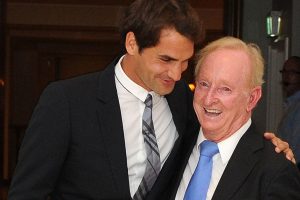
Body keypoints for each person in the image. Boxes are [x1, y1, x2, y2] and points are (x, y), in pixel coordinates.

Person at [8, 1, 294, 199]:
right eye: (166, 59)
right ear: (132, 43)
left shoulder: (184, 100)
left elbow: (227, 136)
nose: (176, 73)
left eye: (184, 62)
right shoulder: (67, 102)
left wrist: (271, 147)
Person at [170, 37, 300, 200]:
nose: (208, 99)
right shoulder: (174, 144)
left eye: (225, 89)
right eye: (204, 84)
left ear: (252, 98)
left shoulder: (276, 171)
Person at [278, 56, 300, 169]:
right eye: (284, 72)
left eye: (292, 72)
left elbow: (296, 151)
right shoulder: (290, 105)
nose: (286, 76)